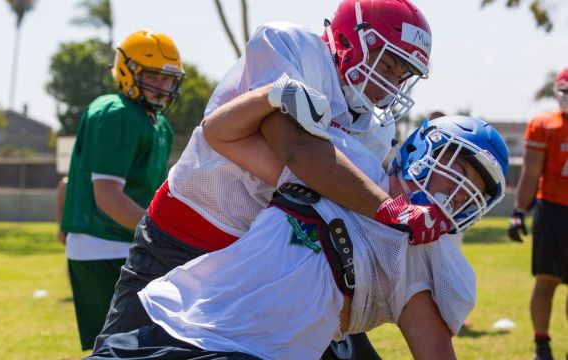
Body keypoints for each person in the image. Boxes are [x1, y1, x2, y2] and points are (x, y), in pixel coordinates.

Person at [94, 0, 439, 356]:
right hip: (184, 240)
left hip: (270, 262)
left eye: (403, 73)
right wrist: (390, 209)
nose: (391, 83)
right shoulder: (290, 47)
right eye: (388, 63)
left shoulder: (377, 126)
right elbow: (299, 151)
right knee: (119, 354)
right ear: (350, 40)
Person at [88, 98, 509, 359]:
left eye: (476, 190)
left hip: (251, 353)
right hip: (177, 316)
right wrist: (272, 95)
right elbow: (220, 134)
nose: (460, 192)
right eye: (460, 170)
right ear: (422, 148)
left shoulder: (420, 253)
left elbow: (434, 350)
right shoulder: (340, 165)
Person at [60, 29, 185, 350]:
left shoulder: (158, 124)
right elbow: (107, 195)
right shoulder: (115, 113)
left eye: (169, 79)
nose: (164, 87)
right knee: (124, 348)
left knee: (147, 347)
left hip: (127, 244)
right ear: (128, 71)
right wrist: (162, 235)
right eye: (154, 77)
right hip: (105, 245)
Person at [508, 67, 568, 360]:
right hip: (553, 209)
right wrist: (518, 210)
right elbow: (530, 174)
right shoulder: (545, 124)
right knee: (547, 280)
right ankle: (542, 344)